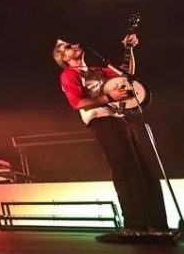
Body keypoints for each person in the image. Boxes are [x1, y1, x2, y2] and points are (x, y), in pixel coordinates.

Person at [54, 36, 168, 234]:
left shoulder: (98, 70)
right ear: (63, 57)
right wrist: (108, 97)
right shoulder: (69, 74)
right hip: (101, 121)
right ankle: (134, 225)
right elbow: (77, 103)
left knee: (145, 171)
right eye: (69, 47)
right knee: (126, 170)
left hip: (120, 119)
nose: (75, 46)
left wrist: (128, 48)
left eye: (74, 43)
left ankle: (158, 224)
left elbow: (127, 75)